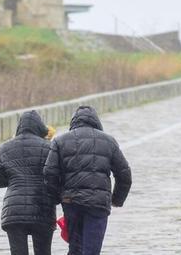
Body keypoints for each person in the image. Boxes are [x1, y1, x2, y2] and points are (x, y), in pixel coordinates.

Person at [44, 106, 132, 255]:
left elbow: (49, 172)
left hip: (71, 202)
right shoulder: (109, 141)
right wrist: (117, 199)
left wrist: (57, 196)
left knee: (75, 248)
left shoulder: (60, 141)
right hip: (98, 204)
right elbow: (124, 175)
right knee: (92, 249)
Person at [0, 110, 56, 255]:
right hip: (42, 208)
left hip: (14, 211)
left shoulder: (5, 147)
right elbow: (54, 176)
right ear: (40, 127)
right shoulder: (49, 147)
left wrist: (14, 178)